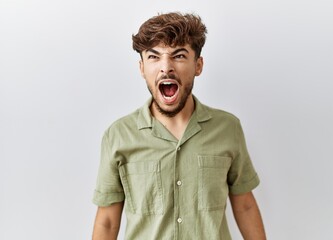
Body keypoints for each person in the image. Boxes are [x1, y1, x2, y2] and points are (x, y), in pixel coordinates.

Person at [92, 12, 266, 240]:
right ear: (142, 68)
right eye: (154, 57)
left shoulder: (228, 128)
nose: (166, 67)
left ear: (198, 65)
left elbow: (245, 205)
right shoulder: (118, 136)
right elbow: (107, 221)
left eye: (179, 55)